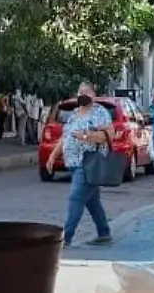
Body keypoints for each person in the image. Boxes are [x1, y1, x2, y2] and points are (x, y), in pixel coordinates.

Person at [45, 85, 114, 247]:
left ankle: (66, 237)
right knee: (92, 201)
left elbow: (107, 136)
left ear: (94, 95)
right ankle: (104, 233)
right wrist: (53, 156)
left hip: (88, 162)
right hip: (73, 162)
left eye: (86, 92)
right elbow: (65, 137)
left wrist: (85, 136)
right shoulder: (75, 113)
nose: (82, 95)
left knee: (76, 197)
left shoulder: (99, 112)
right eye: (80, 92)